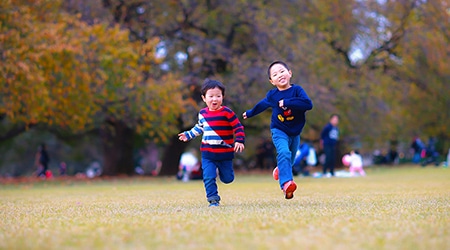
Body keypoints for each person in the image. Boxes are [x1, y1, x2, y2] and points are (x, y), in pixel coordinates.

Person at [243, 61, 313, 199]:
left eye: (282, 71)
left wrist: (287, 102)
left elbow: (308, 104)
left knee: (290, 160)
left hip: (295, 131)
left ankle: (280, 170)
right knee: (284, 152)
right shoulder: (272, 95)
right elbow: (262, 105)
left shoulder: (297, 90)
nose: (280, 75)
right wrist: (250, 112)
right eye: (275, 74)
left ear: (290, 73)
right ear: (271, 81)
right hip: (279, 129)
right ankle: (286, 184)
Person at [178, 79, 245, 207]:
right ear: (204, 98)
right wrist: (188, 134)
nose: (215, 99)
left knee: (227, 179)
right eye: (211, 96)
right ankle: (213, 200)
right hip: (208, 153)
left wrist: (239, 140)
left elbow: (238, 127)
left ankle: (224, 173)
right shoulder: (202, 113)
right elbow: (199, 128)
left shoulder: (227, 113)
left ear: (222, 97)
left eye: (218, 96)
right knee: (208, 176)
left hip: (225, 153)